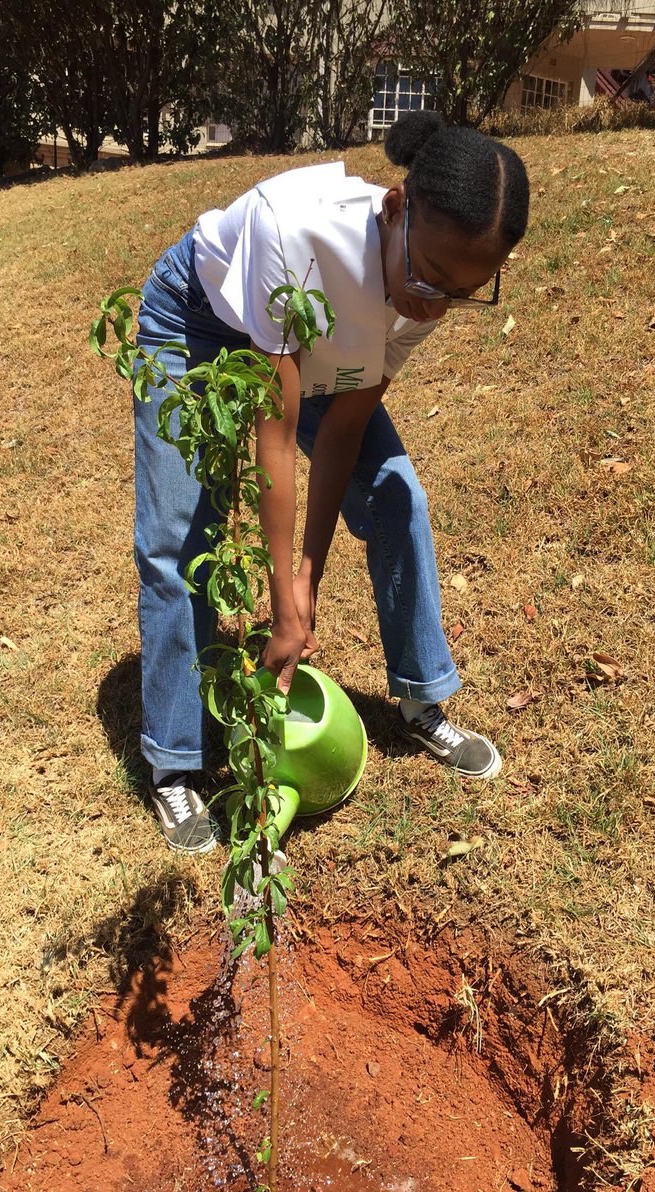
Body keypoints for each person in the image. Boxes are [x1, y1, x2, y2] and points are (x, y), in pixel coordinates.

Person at [133, 110, 530, 853]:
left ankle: (421, 701)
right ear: (396, 207)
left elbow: (342, 430)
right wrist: (283, 602)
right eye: (431, 279)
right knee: (177, 538)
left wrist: (306, 580)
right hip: (198, 324)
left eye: (464, 292)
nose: (435, 303)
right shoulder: (299, 235)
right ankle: (176, 764)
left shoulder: (429, 277)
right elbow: (276, 437)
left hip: (318, 348)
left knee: (395, 496)